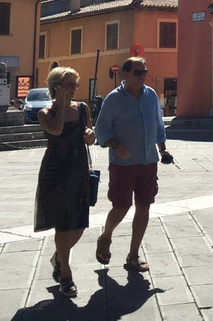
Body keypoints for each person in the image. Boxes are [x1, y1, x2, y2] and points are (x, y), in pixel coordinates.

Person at [94, 56, 172, 273]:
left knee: (144, 206)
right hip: (123, 163)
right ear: (125, 74)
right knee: (121, 206)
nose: (142, 76)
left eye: (144, 72)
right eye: (138, 72)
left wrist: (163, 149)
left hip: (148, 160)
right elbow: (101, 130)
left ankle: (133, 255)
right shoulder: (113, 99)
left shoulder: (151, 96)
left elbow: (158, 125)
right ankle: (106, 236)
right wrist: (114, 145)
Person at [34, 67, 95, 299]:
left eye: (74, 85)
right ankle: (66, 276)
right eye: (68, 85)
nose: (72, 90)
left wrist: (91, 136)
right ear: (56, 86)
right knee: (63, 224)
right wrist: (59, 105)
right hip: (56, 171)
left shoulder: (82, 108)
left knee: (79, 223)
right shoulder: (45, 113)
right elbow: (57, 131)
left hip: (78, 169)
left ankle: (59, 256)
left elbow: (90, 134)